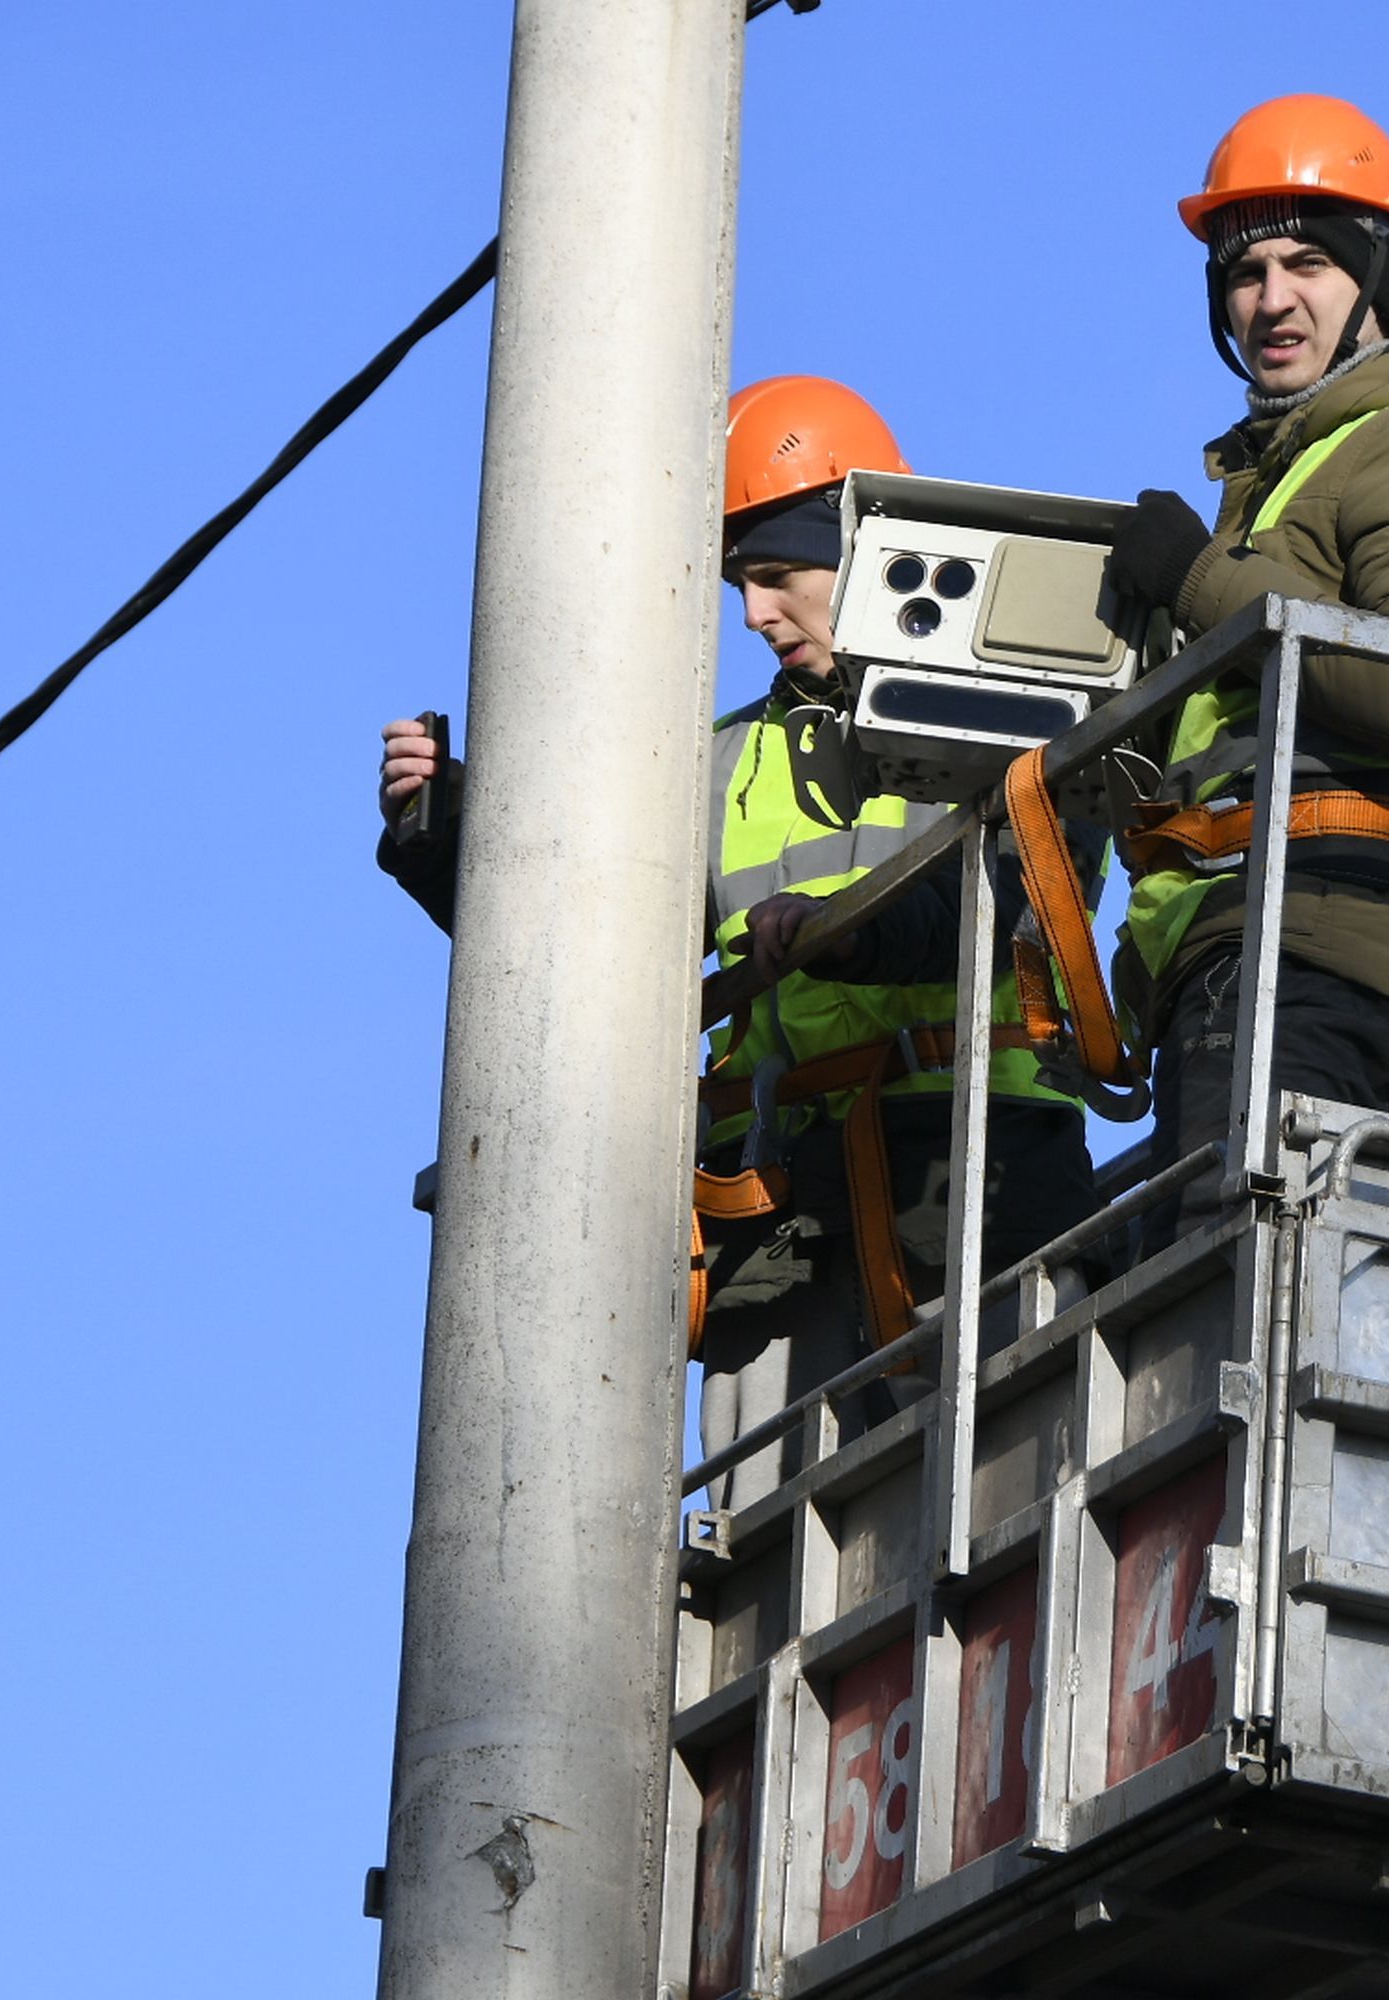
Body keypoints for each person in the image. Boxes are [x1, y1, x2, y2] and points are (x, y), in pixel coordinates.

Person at [375, 376, 1098, 1501]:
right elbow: (582, 958)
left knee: (1013, 1500)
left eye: (775, 576)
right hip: (781, 1211)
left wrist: (844, 935)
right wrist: (460, 838)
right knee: (772, 1551)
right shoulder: (709, 764)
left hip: (976, 1167)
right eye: (737, 585)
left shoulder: (998, 708)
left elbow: (1026, 891)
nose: (754, 613)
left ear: (860, 553)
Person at [1095, 93, 1389, 1222]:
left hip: (1313, 947)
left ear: (1377, 278)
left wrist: (1198, 580)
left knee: (1231, 1329)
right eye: (1244, 273)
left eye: (1308, 264)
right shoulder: (1289, 469)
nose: (1270, 299)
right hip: (1248, 946)